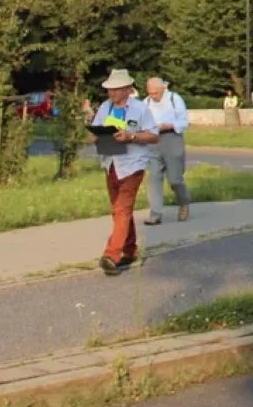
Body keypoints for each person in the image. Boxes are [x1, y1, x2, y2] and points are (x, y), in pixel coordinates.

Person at [82, 69, 159, 275]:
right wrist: (94, 137)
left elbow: (153, 135)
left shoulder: (140, 109)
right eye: (109, 90)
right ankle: (130, 250)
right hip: (111, 163)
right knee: (119, 210)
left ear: (127, 89)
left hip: (132, 164)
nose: (112, 94)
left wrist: (131, 137)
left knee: (122, 209)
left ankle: (111, 255)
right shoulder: (105, 108)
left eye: (116, 90)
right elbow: (95, 130)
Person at [141, 76, 192, 224]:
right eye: (150, 92)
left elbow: (184, 122)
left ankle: (183, 202)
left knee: (175, 179)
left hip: (172, 137)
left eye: (155, 92)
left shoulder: (174, 100)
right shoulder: (146, 103)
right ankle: (155, 214)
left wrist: (168, 125)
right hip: (153, 140)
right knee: (154, 177)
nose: (152, 95)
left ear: (163, 88)